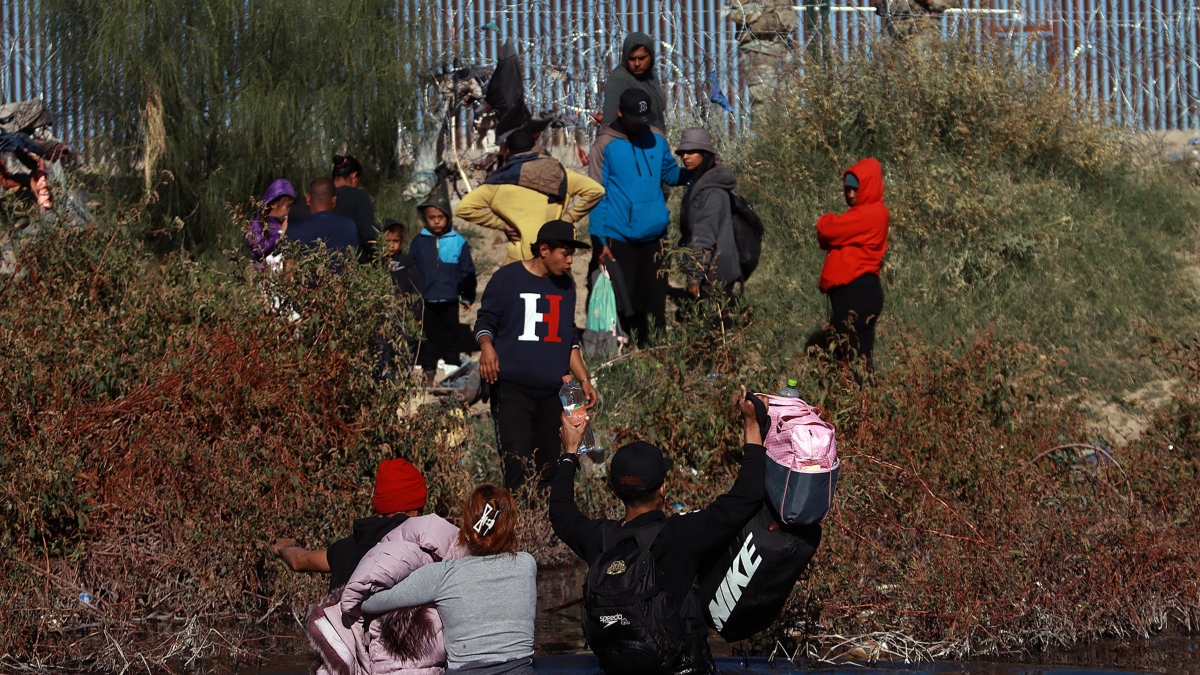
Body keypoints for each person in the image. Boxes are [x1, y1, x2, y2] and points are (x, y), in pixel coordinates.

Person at [550, 388, 768, 675]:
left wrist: (569, 452)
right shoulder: (682, 533)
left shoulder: (600, 539)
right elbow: (748, 494)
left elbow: (561, 513)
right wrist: (752, 424)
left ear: (615, 491)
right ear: (663, 489)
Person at [361, 484, 537, 675]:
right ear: (512, 526)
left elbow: (371, 603)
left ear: (467, 529)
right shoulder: (527, 565)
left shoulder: (444, 575)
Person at [473, 220, 597, 490]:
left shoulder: (566, 286)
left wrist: (584, 380)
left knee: (550, 469)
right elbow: (485, 322)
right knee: (516, 467)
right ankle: (514, 528)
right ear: (544, 249)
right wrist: (487, 348)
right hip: (512, 391)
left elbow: (569, 341)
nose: (570, 260)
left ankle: (545, 527)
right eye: (565, 253)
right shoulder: (507, 279)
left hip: (552, 393)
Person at [589, 89, 690, 347]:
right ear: (621, 113)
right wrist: (599, 241)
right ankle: (627, 354)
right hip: (618, 237)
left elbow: (668, 173)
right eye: (635, 118)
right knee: (626, 302)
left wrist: (693, 173)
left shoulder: (656, 137)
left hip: (656, 237)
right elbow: (597, 195)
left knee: (655, 302)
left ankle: (655, 353)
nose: (641, 123)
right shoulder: (605, 145)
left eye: (645, 118)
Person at [272, 457, 429, 590]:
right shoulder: (424, 548)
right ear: (416, 509)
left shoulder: (349, 546)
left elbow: (300, 560)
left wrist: (283, 548)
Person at [456, 128, 605, 265]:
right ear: (534, 145)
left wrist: (501, 225)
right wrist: (567, 220)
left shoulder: (499, 181)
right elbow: (596, 190)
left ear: (508, 149)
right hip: (554, 259)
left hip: (519, 262)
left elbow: (463, 208)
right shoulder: (559, 173)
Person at [816, 158, 889, 367]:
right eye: (847, 189)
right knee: (849, 353)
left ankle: (861, 396)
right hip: (850, 293)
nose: (850, 195)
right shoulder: (857, 215)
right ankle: (853, 395)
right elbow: (827, 239)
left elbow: (828, 230)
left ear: (868, 186)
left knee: (856, 354)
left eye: (855, 189)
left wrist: (826, 221)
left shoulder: (875, 213)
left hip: (860, 290)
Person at [410, 188, 477, 377]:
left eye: (441, 216)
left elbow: (467, 270)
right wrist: (414, 297)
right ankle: (428, 365)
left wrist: (466, 296)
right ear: (425, 218)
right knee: (428, 333)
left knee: (450, 331)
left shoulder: (458, 241)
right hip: (426, 298)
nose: (437, 221)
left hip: (449, 297)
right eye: (432, 217)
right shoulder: (419, 242)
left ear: (448, 217)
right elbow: (412, 270)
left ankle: (451, 362)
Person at [675, 128, 740, 300]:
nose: (685, 157)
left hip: (713, 273)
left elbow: (704, 237)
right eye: (683, 153)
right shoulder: (701, 183)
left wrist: (695, 277)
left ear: (705, 154)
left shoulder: (712, 191)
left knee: (713, 323)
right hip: (712, 269)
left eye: (691, 152)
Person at [601, 32, 668, 135]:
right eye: (632, 59)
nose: (637, 64)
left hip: (654, 143)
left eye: (642, 58)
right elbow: (609, 122)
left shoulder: (651, 77)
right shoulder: (620, 79)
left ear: (651, 56)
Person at [285, 178, 359, 261]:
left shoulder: (293, 232)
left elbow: (289, 272)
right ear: (334, 199)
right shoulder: (350, 227)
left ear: (308, 198)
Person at [332, 154, 379, 264]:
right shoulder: (359, 197)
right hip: (354, 266)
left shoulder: (321, 198)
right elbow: (368, 235)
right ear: (354, 176)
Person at [245, 178, 297, 270]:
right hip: (265, 279)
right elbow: (260, 250)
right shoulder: (257, 225)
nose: (290, 211)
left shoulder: (290, 224)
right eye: (288, 206)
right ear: (273, 204)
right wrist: (280, 233)